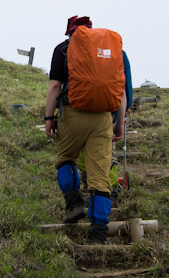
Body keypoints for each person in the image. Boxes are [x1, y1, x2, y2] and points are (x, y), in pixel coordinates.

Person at [45, 15, 128, 244]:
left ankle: (74, 205)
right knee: (100, 177)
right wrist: (119, 123)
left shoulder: (63, 49)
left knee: (65, 159)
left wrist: (48, 117)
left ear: (70, 32)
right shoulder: (109, 51)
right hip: (102, 118)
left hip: (72, 114)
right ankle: (98, 234)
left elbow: (54, 86)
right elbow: (120, 91)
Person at [77, 49, 133, 207]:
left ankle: (95, 187)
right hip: (111, 113)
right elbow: (125, 85)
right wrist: (123, 113)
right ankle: (110, 192)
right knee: (109, 154)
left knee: (85, 153)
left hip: (83, 113)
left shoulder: (80, 52)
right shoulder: (118, 53)